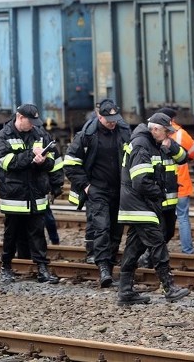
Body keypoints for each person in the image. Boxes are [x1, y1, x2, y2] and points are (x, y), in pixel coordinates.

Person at [116, 112, 189, 305]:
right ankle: (169, 287)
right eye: (167, 132)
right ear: (155, 129)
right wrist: (160, 193)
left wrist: (170, 145)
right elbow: (140, 182)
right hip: (139, 204)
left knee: (134, 246)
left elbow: (183, 158)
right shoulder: (142, 145)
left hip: (140, 204)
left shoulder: (155, 143)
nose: (169, 136)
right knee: (157, 243)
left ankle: (125, 291)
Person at [64, 99, 131, 287]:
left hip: (119, 189)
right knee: (101, 227)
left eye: (115, 118)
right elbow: (70, 163)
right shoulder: (87, 134)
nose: (112, 122)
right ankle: (103, 268)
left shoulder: (124, 131)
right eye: (109, 119)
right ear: (99, 116)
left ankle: (109, 264)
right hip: (97, 189)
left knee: (116, 229)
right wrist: (85, 186)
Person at [0, 104, 62, 284]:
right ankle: (6, 267)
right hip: (14, 195)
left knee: (38, 233)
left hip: (36, 193)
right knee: (11, 234)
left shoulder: (40, 134)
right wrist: (31, 156)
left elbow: (53, 161)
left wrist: (43, 162)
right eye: (29, 121)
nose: (32, 125)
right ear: (19, 117)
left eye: (34, 122)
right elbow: (7, 163)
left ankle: (42, 269)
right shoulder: (3, 136)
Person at [158, 107, 194, 254]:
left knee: (161, 219)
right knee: (183, 218)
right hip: (180, 185)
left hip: (163, 187)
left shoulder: (155, 133)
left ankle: (159, 251)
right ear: (172, 119)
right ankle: (187, 251)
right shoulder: (181, 134)